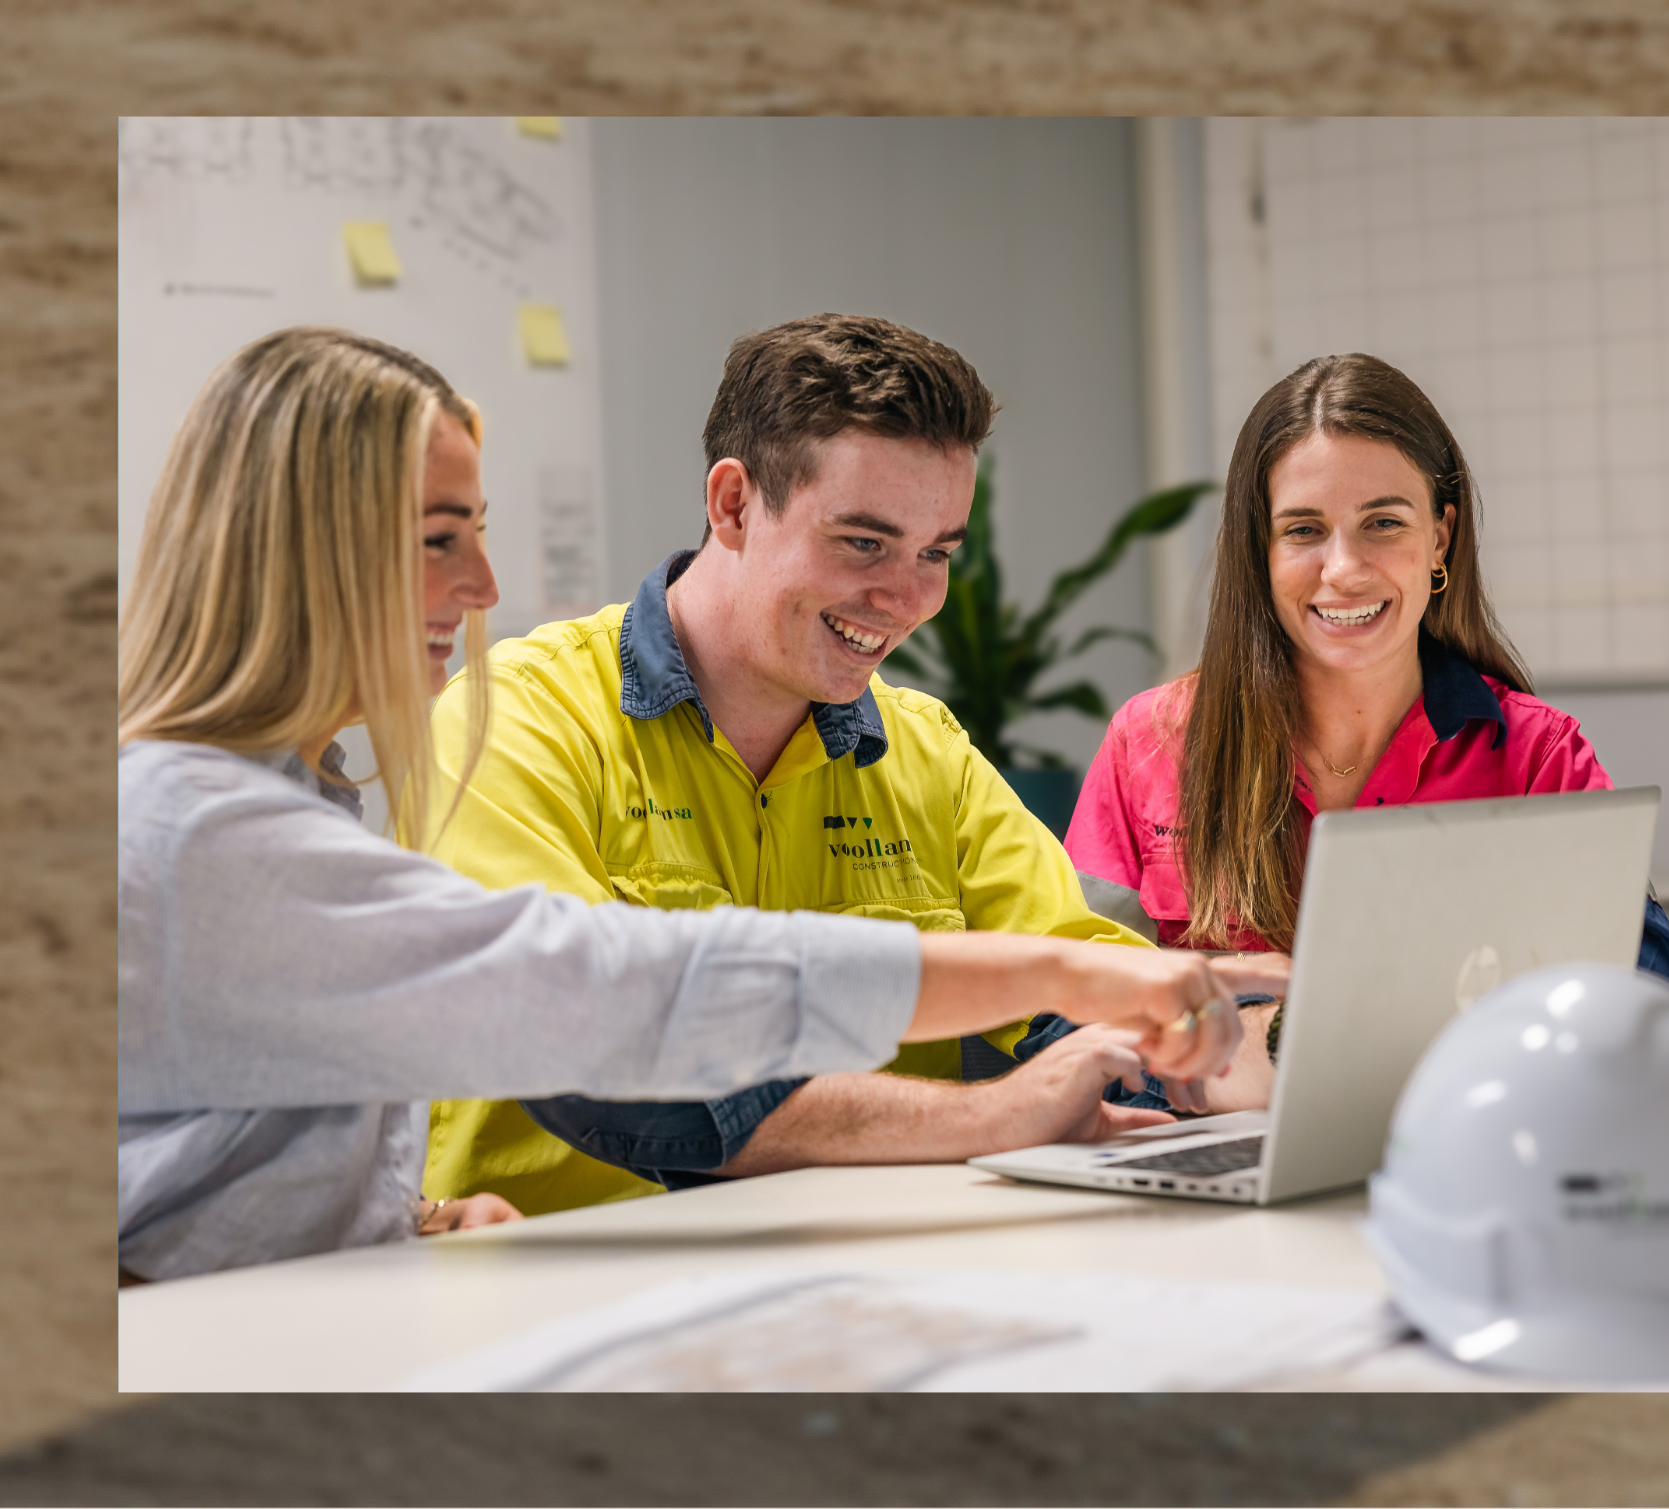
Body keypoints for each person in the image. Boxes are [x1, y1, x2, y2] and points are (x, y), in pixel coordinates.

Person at [117, 327, 1243, 1282]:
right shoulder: (208, 830)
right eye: (437, 539)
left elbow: (220, 1147)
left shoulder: (284, 802)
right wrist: (1041, 1026)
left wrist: (391, 1223)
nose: (485, 588)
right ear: (732, 503)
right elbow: (602, 1011)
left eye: (936, 552)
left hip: (830, 1269)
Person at [422, 314, 1251, 1216]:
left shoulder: (927, 747)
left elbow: (1088, 989)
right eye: (863, 542)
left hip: (866, 1272)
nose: (907, 598)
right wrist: (989, 1115)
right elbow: (592, 1053)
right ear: (733, 504)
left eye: (936, 552)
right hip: (564, 1276)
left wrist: (1219, 1051)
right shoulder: (512, 718)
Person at [1064, 352, 1669, 1114]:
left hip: (1463, 1147)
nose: (1344, 570)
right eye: (1303, 530)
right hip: (1204, 1179)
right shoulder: (1147, 742)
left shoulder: (1537, 753)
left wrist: (1265, 1042)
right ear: (1258, 553)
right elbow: (1066, 1019)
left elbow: (1646, 989)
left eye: (1383, 523)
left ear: (1440, 540)